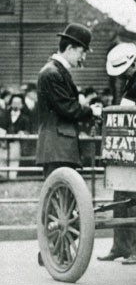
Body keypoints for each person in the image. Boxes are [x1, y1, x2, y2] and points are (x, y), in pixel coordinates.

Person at [98, 43, 136, 265]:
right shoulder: (134, 81)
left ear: (133, 64)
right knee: (120, 196)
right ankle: (120, 246)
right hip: (128, 149)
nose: (121, 75)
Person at [35, 23, 102, 177]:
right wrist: (92, 111)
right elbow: (68, 108)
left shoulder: (55, 71)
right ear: (70, 48)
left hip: (60, 146)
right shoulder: (52, 73)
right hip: (58, 146)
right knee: (59, 195)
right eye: (82, 52)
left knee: (64, 196)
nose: (83, 58)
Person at [0, 93, 32, 180]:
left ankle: (12, 178)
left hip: (16, 144)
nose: (16, 105)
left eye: (18, 103)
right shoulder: (4, 116)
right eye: (14, 102)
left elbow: (28, 130)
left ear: (22, 105)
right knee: (2, 162)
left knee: (14, 162)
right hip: (4, 144)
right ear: (10, 103)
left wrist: (23, 133)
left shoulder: (25, 118)